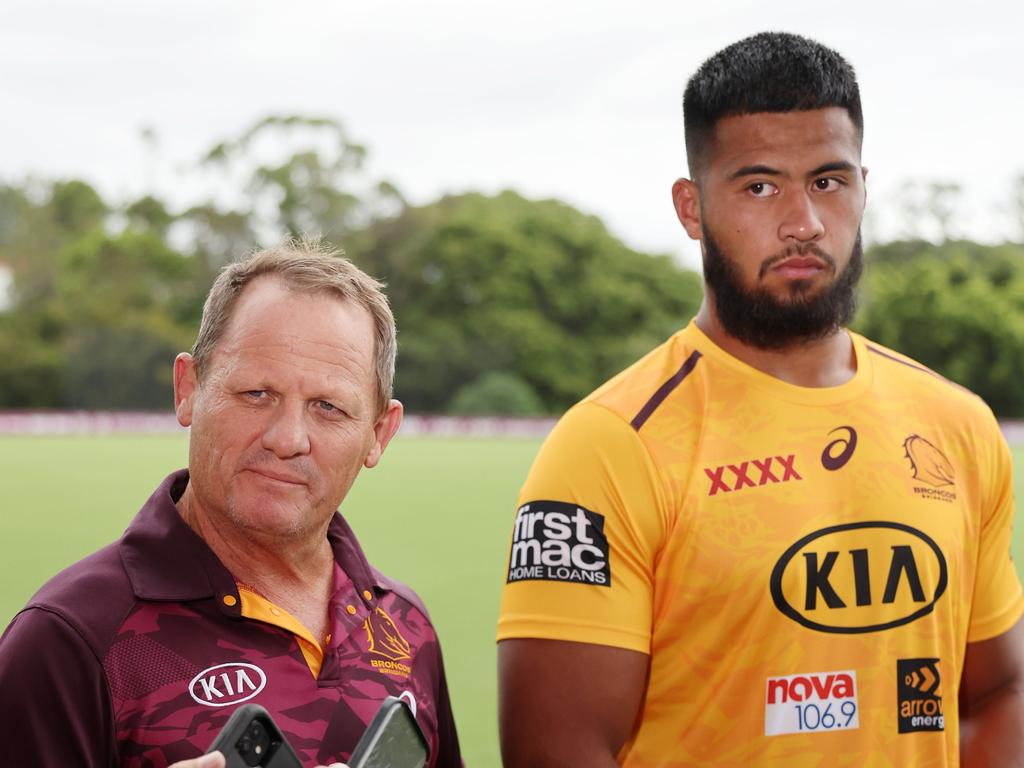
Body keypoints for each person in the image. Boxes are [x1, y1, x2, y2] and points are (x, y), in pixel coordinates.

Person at [497, 31, 1024, 766]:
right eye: (760, 186)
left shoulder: (959, 426)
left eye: (829, 182)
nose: (803, 222)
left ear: (863, 188)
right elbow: (557, 751)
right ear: (691, 208)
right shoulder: (609, 447)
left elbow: (997, 693)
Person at [0, 241, 461, 767]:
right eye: (256, 393)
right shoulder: (70, 640)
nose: (288, 438)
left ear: (379, 434)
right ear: (188, 389)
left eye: (328, 407)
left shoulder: (406, 626)